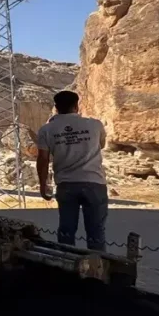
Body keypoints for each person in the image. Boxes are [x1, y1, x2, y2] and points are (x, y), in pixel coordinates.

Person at [37, 90, 109, 251]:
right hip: (95, 183)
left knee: (66, 232)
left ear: (55, 107)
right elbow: (101, 145)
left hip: (66, 184)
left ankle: (66, 267)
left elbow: (42, 159)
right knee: (96, 232)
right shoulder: (95, 124)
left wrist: (43, 185)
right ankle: (97, 267)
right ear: (77, 106)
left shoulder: (46, 130)